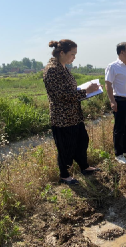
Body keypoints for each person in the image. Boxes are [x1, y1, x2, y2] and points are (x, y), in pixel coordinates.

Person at [43, 39, 100, 185]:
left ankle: (84, 167)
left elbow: (70, 91)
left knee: (82, 141)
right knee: (66, 147)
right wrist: (86, 91)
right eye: (72, 54)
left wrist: (83, 90)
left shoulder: (62, 67)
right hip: (62, 117)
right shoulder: (53, 69)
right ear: (62, 53)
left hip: (74, 115)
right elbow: (62, 96)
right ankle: (64, 175)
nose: (74, 57)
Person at [105, 42, 126, 164]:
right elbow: (108, 84)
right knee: (119, 129)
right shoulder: (113, 66)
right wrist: (112, 101)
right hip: (120, 101)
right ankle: (118, 154)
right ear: (122, 52)